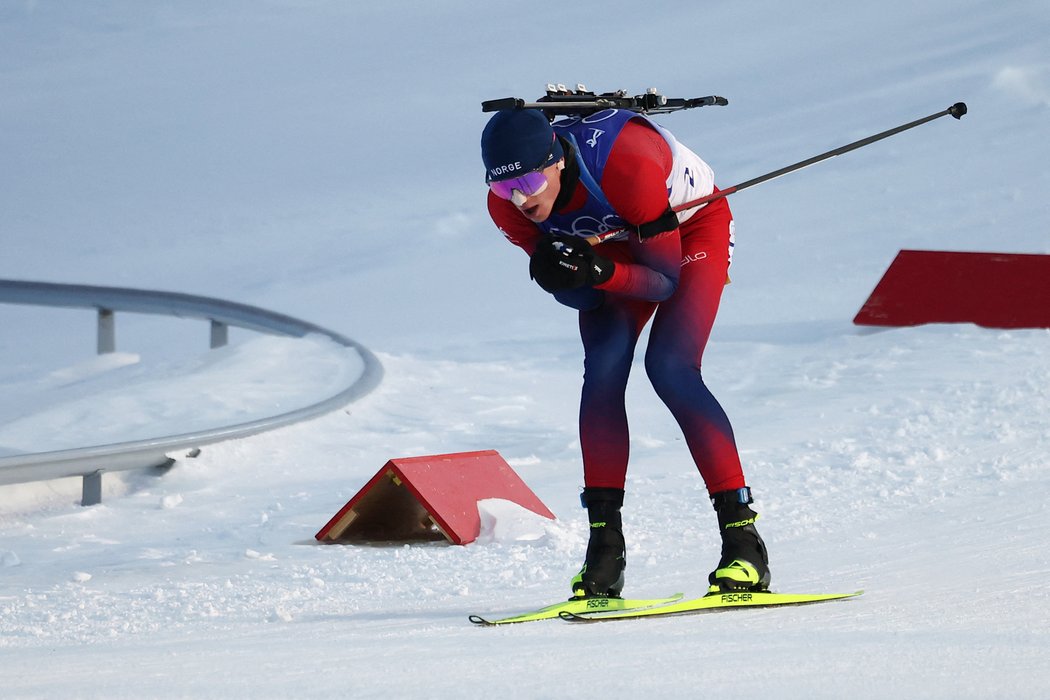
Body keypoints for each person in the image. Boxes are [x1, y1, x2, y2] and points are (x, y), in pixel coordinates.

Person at [480, 106, 770, 598]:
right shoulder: (505, 205)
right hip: (611, 239)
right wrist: (564, 278)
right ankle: (604, 548)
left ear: (555, 162)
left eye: (528, 182)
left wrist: (598, 271)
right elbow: (587, 299)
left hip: (689, 229)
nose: (520, 199)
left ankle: (744, 541)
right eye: (503, 187)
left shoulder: (627, 163)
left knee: (671, 367)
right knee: (604, 371)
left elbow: (663, 282)